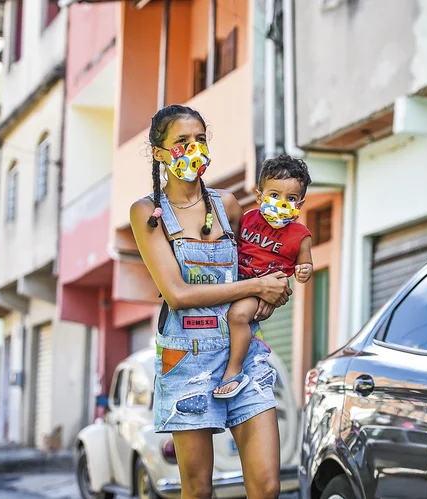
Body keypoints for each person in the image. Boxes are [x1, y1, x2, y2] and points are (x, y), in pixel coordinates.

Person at [129, 104, 291, 499]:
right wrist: (253, 289)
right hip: (187, 357)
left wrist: (273, 289)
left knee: (268, 485)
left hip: (242, 349)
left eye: (200, 139)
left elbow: (255, 267)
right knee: (199, 489)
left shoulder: (228, 205)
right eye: (182, 141)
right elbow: (178, 294)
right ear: (159, 153)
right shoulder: (148, 213)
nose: (194, 148)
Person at [213, 155, 313, 398]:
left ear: (300, 203)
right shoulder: (247, 219)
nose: (282, 203)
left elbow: (305, 265)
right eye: (275, 195)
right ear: (259, 196)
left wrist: (304, 271)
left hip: (261, 291)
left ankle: (234, 370)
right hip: (237, 282)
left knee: (238, 316)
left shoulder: (301, 235)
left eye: (291, 198)